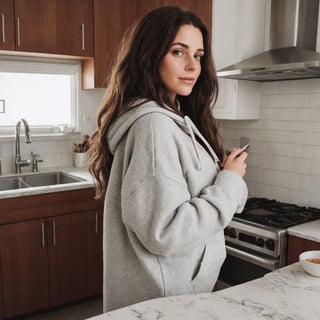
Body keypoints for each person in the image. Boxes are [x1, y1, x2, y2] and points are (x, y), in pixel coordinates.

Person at [88, 5, 248, 312]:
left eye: (198, 55)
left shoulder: (174, 118)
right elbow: (165, 233)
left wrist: (226, 175)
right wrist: (229, 181)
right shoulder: (153, 125)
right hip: (165, 304)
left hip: (177, 296)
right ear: (149, 56)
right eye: (178, 52)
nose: (192, 65)